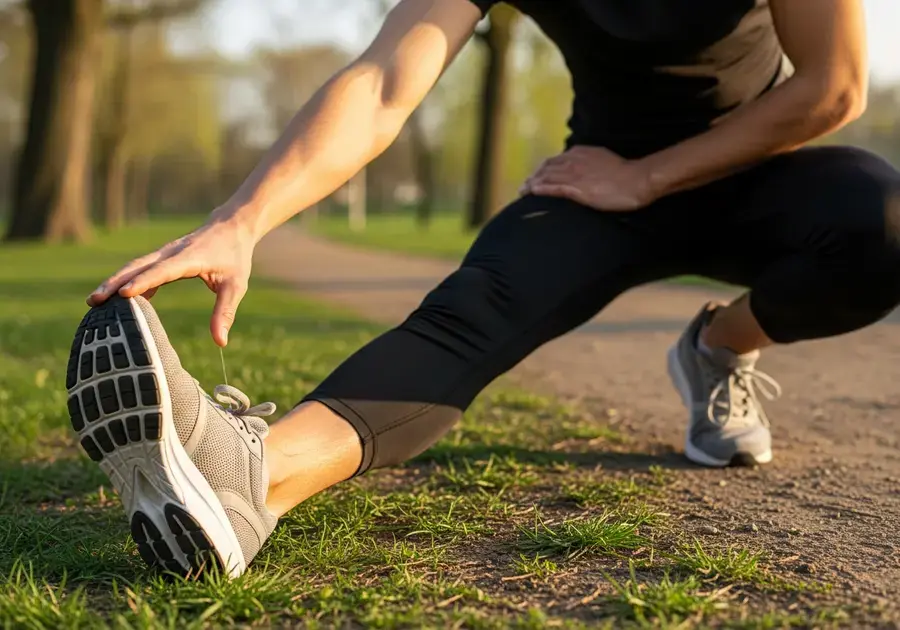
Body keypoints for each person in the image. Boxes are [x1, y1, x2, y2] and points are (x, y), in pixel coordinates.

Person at [66, 0, 900, 577]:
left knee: (883, 224)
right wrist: (243, 218)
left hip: (754, 171)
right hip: (593, 186)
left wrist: (646, 178)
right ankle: (250, 480)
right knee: (473, 312)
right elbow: (387, 81)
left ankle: (719, 347)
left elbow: (832, 85)